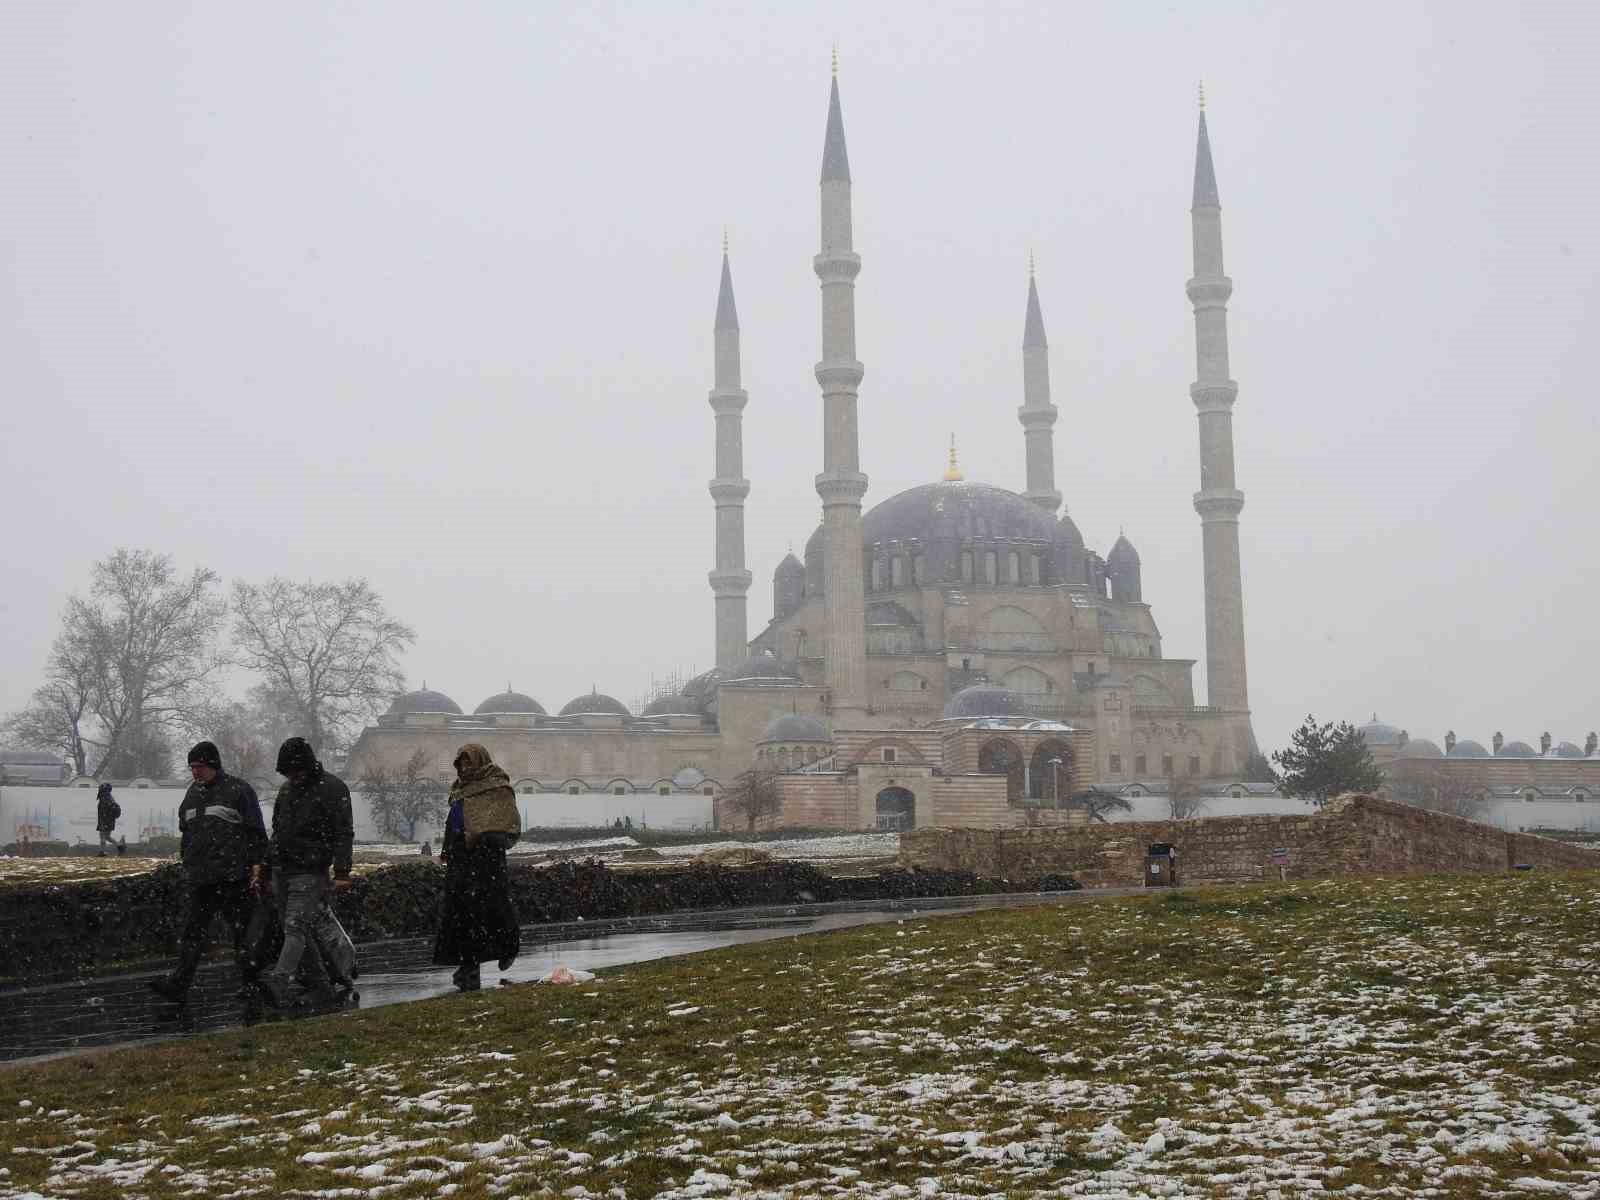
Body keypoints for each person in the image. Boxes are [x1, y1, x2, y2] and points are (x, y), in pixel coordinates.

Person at [148, 741, 268, 1003]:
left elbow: (256, 832)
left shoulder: (239, 790)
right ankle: (179, 985)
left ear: (213, 765)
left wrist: (256, 865)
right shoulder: (192, 793)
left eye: (199, 767)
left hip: (234, 877)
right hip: (201, 878)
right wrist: (188, 859)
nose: (195, 772)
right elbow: (186, 829)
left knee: (242, 934)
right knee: (192, 932)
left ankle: (251, 983)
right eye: (192, 767)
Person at [257, 737, 354, 1009]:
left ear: (308, 766)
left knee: (295, 927)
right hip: (284, 869)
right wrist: (266, 869)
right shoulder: (288, 790)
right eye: (288, 773)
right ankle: (320, 985)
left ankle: (280, 980)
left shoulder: (332, 788)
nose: (292, 777)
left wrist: (342, 871)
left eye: (295, 772)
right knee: (299, 931)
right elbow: (277, 833)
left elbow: (343, 832)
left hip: (310, 871)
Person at [433, 744, 521, 991]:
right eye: (461, 763)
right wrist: (448, 849)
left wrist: (482, 836)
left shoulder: (497, 786)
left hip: (487, 860)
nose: (464, 767)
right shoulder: (460, 789)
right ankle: (469, 966)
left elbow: (507, 822)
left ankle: (508, 947)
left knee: (494, 909)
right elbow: (454, 822)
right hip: (461, 861)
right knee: (462, 914)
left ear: (480, 761)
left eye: (468, 762)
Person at [95, 783, 120, 856]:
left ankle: (102, 852)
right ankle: (120, 846)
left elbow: (103, 810)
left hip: (104, 820)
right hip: (109, 820)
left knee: (102, 836)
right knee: (107, 837)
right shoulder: (110, 798)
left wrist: (104, 819)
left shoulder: (104, 798)